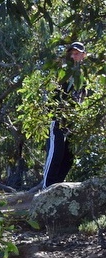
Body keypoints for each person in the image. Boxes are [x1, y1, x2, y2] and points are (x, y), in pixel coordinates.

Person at [41, 41, 87, 189]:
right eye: (72, 53)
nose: (74, 56)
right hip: (58, 119)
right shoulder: (64, 72)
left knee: (68, 157)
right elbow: (53, 94)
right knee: (55, 155)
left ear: (83, 55)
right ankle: (46, 191)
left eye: (77, 53)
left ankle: (56, 190)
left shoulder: (86, 75)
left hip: (74, 123)